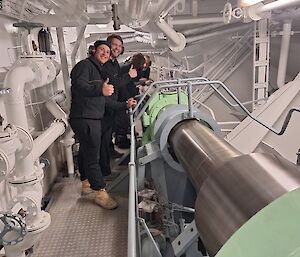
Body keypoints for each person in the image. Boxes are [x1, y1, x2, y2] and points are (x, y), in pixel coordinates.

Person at [69, 40, 118, 210]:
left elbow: (102, 98)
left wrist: (124, 104)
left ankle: (86, 182)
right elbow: (79, 86)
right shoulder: (84, 65)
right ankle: (100, 192)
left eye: (108, 51)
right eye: (102, 50)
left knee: (86, 151)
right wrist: (100, 90)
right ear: (94, 50)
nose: (106, 53)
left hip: (89, 117)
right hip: (85, 118)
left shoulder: (98, 69)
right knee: (93, 156)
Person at [99, 34, 137, 179]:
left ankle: (110, 154)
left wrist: (127, 99)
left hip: (112, 105)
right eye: (115, 45)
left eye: (120, 46)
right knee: (103, 139)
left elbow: (119, 85)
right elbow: (114, 83)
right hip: (104, 106)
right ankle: (105, 172)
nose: (117, 48)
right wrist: (130, 75)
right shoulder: (106, 64)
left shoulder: (114, 63)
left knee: (108, 136)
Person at [114, 53, 146, 148]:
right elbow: (123, 85)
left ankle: (123, 136)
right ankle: (121, 140)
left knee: (125, 118)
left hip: (123, 97)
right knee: (122, 119)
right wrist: (128, 98)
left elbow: (130, 82)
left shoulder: (128, 67)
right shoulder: (127, 69)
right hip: (122, 98)